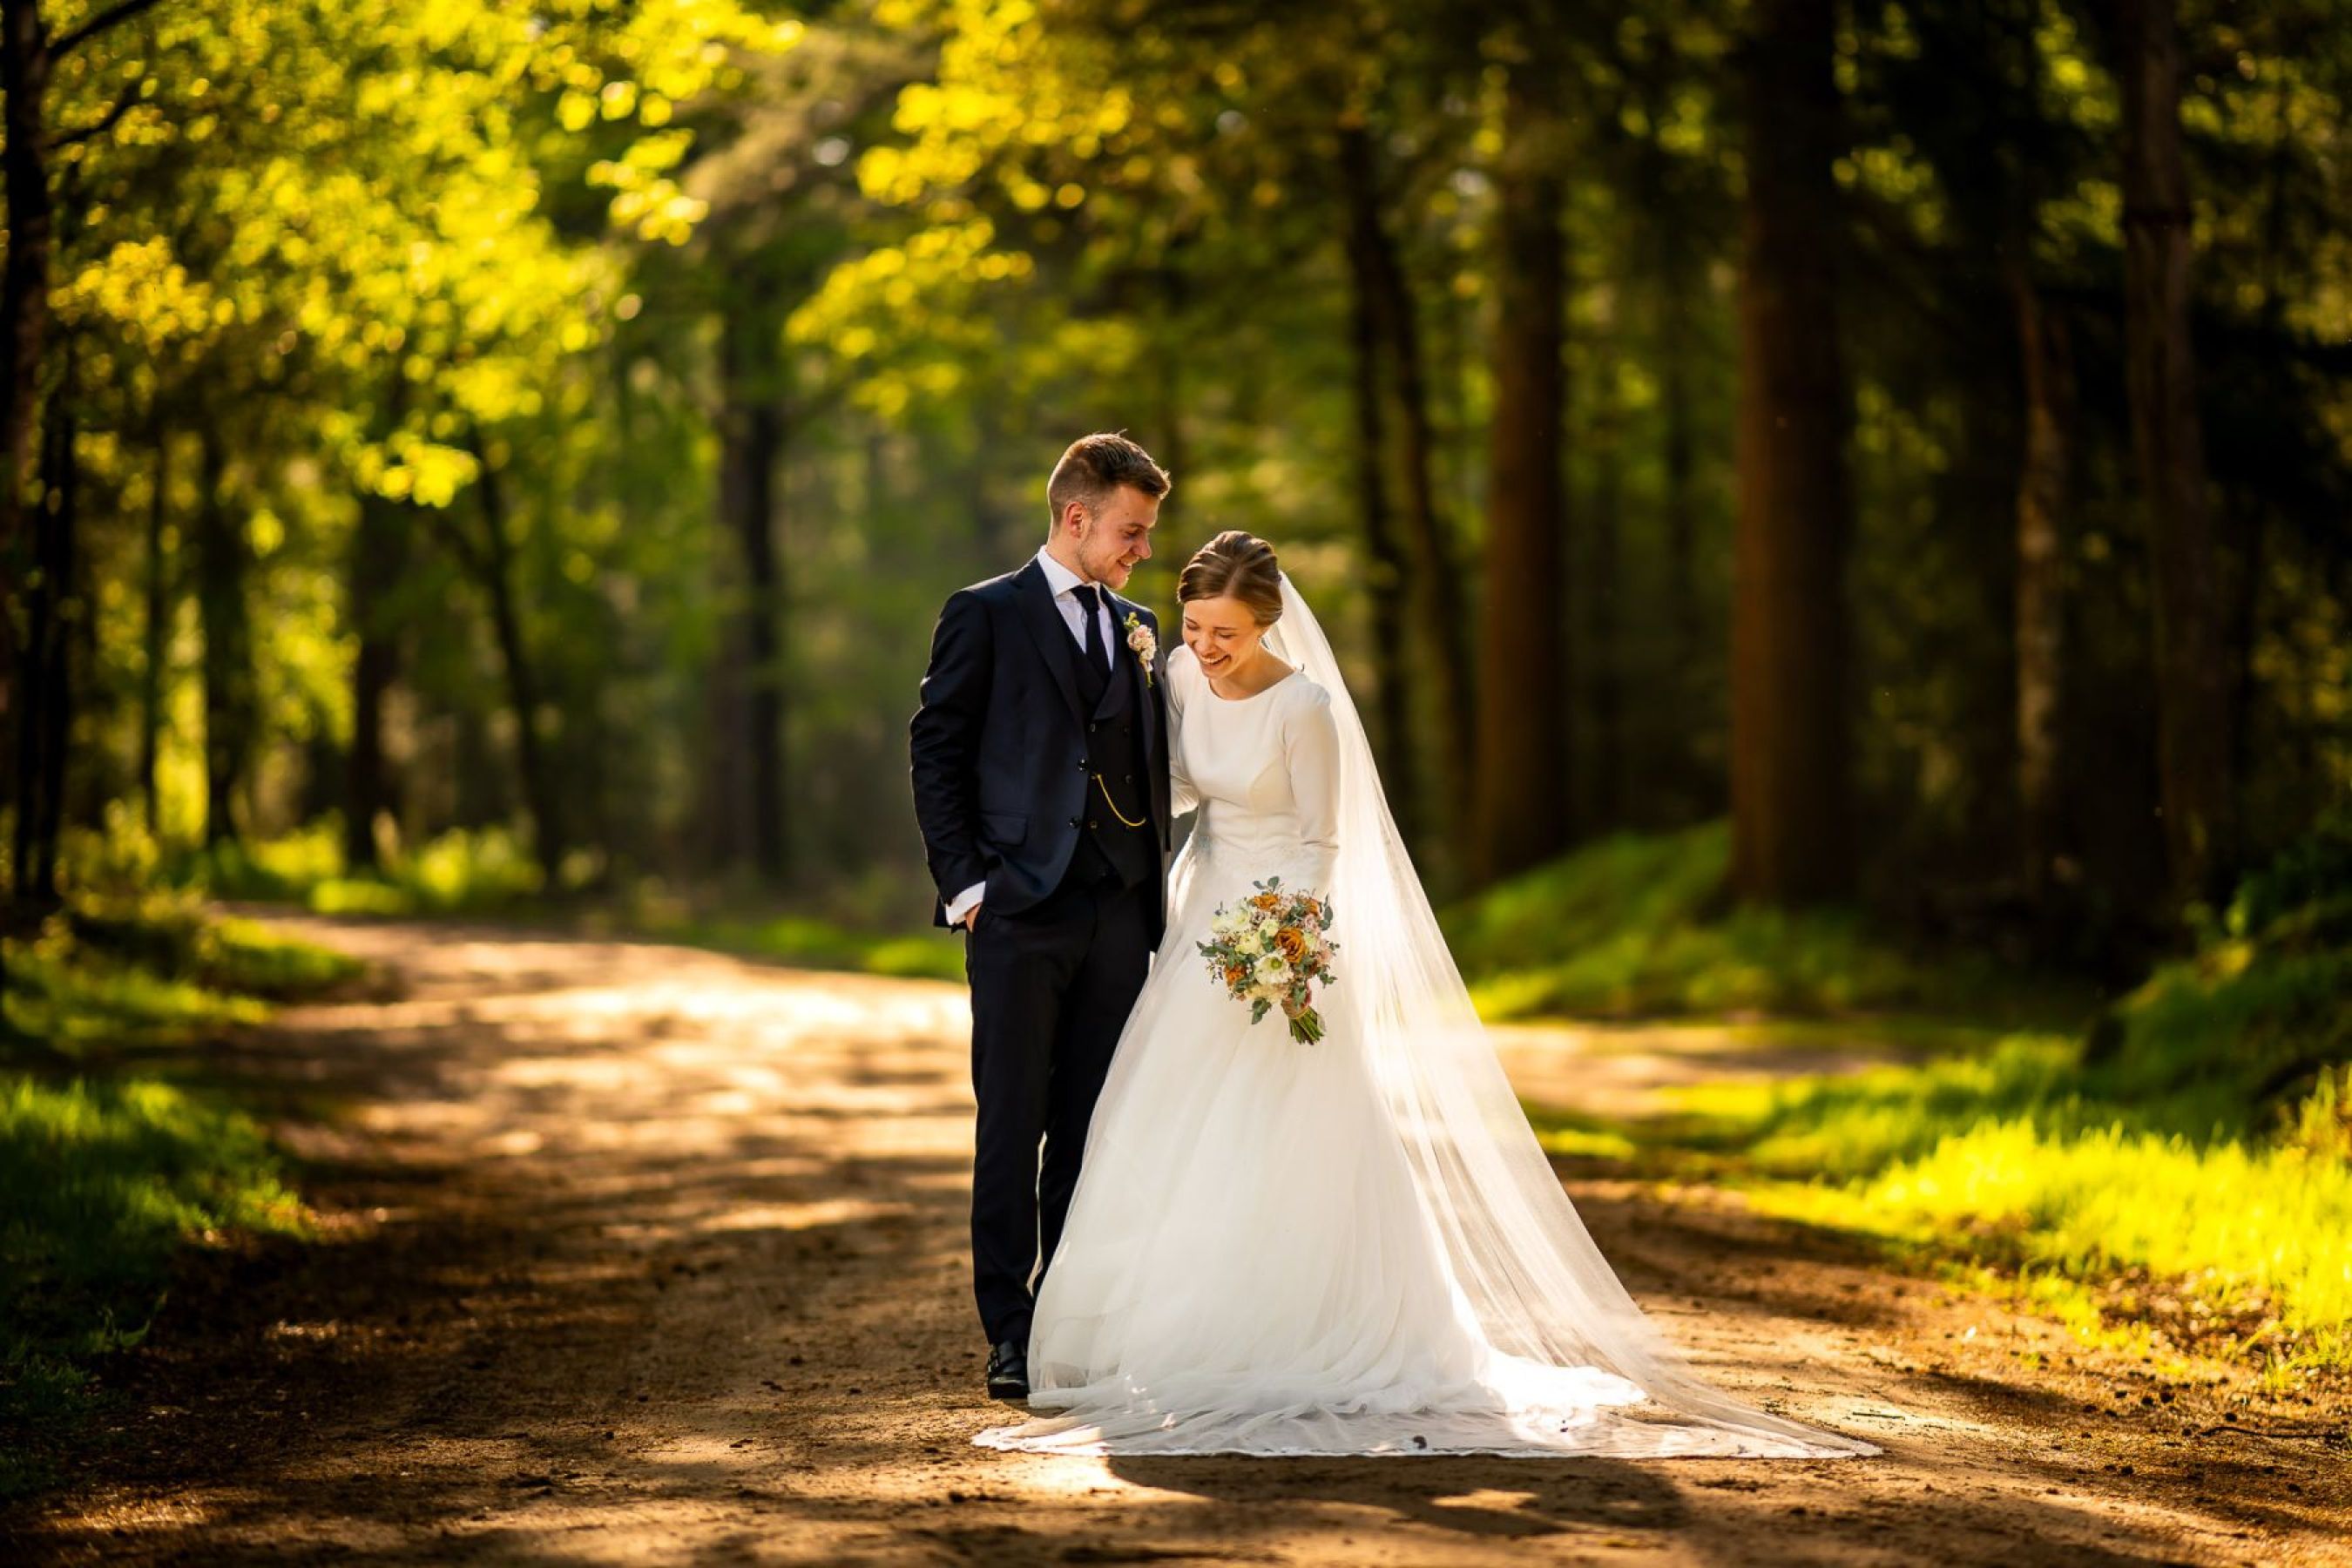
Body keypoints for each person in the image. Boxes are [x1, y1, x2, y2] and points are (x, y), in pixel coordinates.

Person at [973, 530, 1879, 1459]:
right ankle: (1142, 1328)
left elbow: (1322, 849)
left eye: (1228, 636)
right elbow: (1173, 792)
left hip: (1277, 936)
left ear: (1268, 626)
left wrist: (1285, 947)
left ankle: (1288, 1326)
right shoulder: (1170, 671)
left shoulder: (1306, 711)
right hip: (1201, 916)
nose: (1205, 648)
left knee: (1282, 1122)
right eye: (1197, 627)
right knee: (1161, 1111)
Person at [908, 432, 1174, 1402]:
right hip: (1016, 911)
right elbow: (936, 752)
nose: (1141, 551)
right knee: (1011, 1122)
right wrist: (967, 886)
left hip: (1119, 914)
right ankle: (1009, 1334)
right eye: (1131, 532)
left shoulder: (1140, 627)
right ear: (1077, 517)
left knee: (1091, 1127)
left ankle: (1067, 1318)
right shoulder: (985, 614)